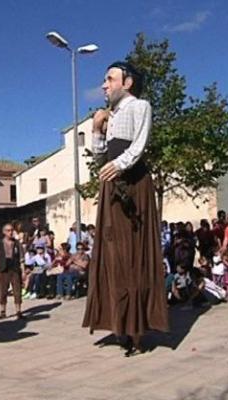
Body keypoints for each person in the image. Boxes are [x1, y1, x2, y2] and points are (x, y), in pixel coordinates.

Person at [83, 61, 168, 356]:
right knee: (112, 255)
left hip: (132, 184)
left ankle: (137, 329)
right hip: (111, 188)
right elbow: (98, 155)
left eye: (110, 79)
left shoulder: (139, 106)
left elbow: (139, 145)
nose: (104, 85)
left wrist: (118, 166)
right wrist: (96, 127)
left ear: (127, 82)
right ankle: (119, 322)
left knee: (133, 255)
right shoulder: (111, 114)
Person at [0, 223, 24, 320]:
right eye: (8, 230)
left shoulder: (17, 244)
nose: (10, 232)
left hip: (14, 268)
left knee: (17, 290)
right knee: (3, 291)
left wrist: (23, 271)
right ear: (4, 232)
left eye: (11, 230)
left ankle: (18, 311)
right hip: (3, 268)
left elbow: (21, 259)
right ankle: (3, 311)